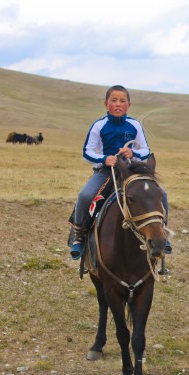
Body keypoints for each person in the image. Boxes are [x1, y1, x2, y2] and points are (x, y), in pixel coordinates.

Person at [70, 85, 169, 259]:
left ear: (129, 105)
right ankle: (79, 234)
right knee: (85, 195)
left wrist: (134, 153)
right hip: (105, 172)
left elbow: (145, 150)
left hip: (130, 172)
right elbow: (87, 151)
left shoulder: (134, 125)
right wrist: (104, 159)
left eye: (122, 101)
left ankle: (162, 232)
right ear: (106, 103)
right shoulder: (99, 125)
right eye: (113, 100)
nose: (118, 104)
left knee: (162, 194)